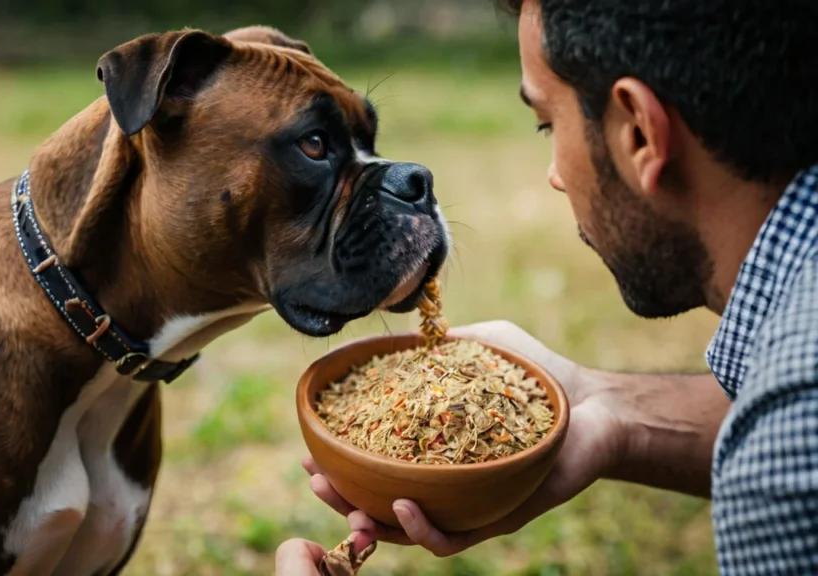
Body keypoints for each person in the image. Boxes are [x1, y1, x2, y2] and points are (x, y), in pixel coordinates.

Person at [276, 0, 818, 573]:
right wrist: (606, 411)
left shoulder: (781, 451)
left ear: (639, 132)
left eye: (547, 123)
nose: (555, 176)